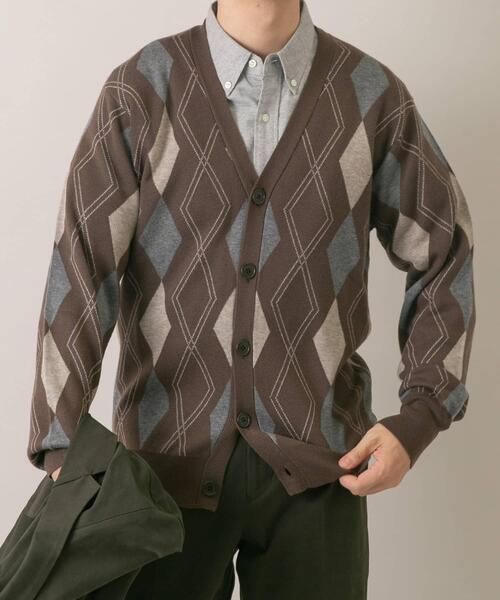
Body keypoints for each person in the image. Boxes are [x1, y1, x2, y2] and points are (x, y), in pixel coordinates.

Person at [26, 0, 476, 598]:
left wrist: (419, 416)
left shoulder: (371, 95)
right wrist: (62, 442)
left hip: (322, 470)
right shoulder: (142, 89)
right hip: (161, 478)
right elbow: (82, 265)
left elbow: (444, 249)